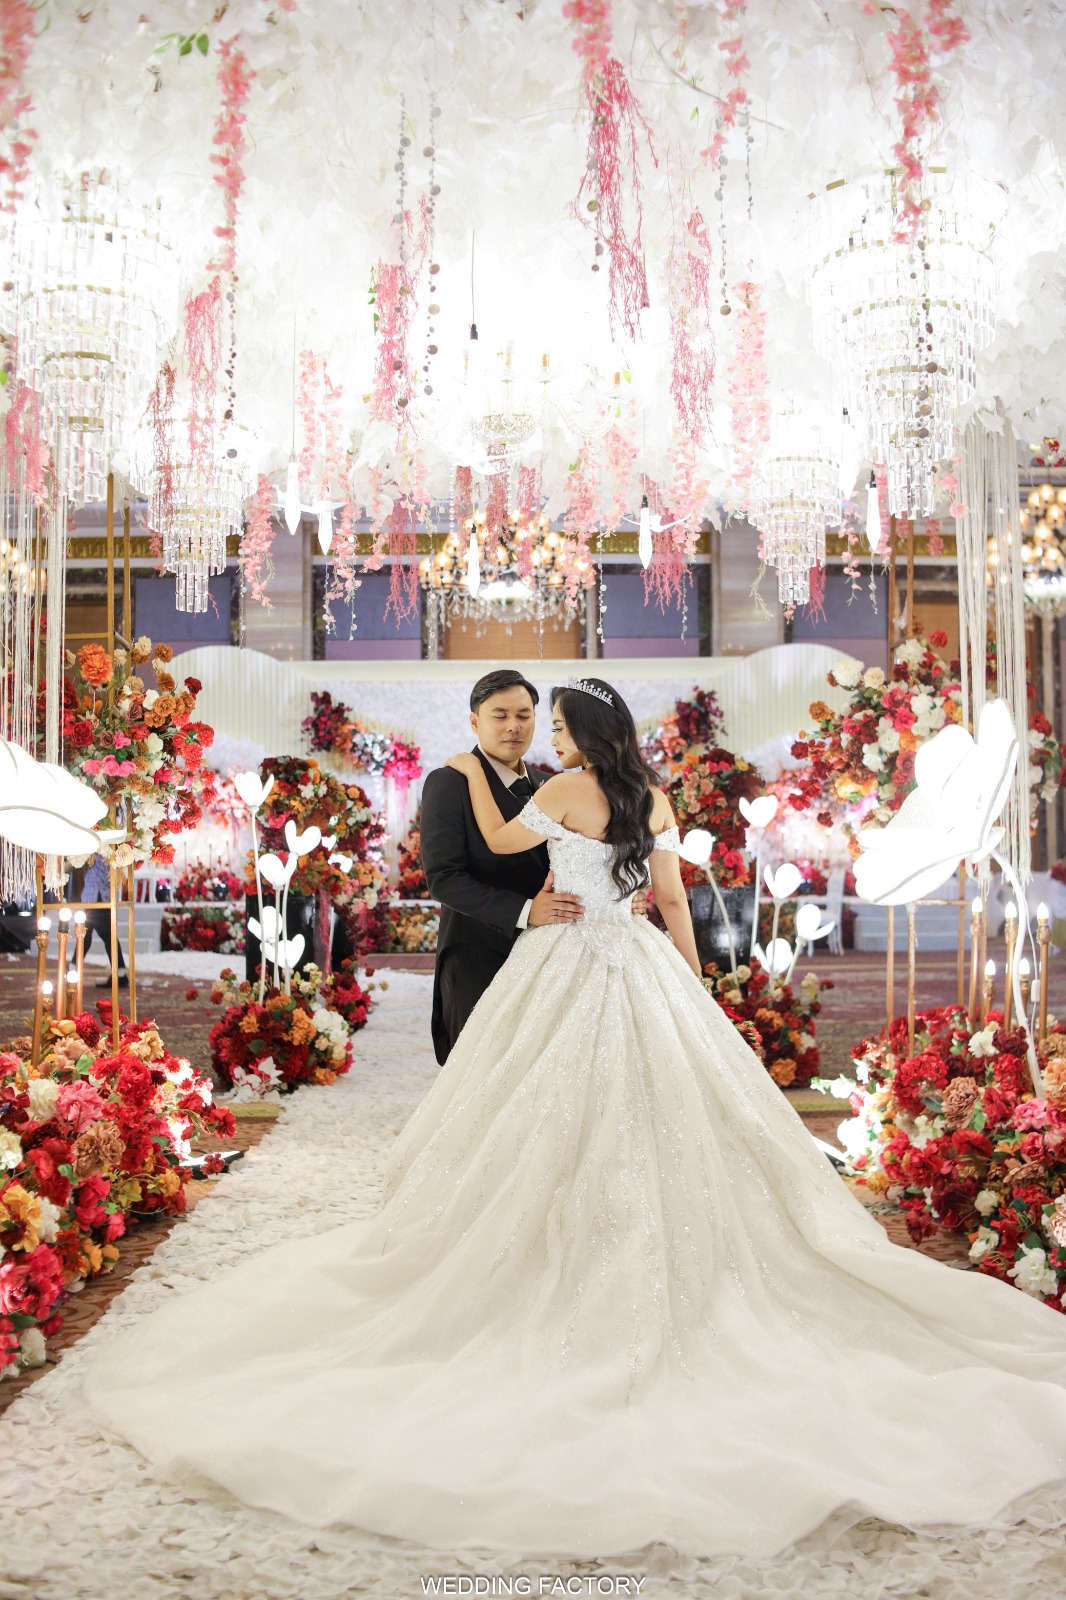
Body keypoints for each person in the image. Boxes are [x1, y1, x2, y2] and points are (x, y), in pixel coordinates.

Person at [82, 676, 1066, 1563]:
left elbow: (504, 840)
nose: (546, 738)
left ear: (582, 735)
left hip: (561, 960)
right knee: (667, 1102)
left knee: (528, 1100)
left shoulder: (553, 792)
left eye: (554, 725)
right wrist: (696, 990)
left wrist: (469, 775)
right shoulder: (655, 796)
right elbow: (673, 902)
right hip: (638, 964)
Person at [419, 667, 585, 1065]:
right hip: (478, 950)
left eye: (524, 715)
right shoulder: (449, 783)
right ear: (475, 721)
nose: (514, 726)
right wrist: (526, 911)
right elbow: (444, 878)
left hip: (553, 952)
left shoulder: (552, 784)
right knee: (480, 1071)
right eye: (500, 715)